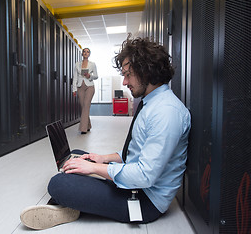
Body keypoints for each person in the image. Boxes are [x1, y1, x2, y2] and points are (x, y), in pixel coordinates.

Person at [20, 37, 191, 230]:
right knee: (79, 155)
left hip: (144, 200)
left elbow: (144, 176)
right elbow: (134, 152)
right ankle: (75, 201)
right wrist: (101, 158)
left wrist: (93, 169)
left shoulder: (166, 112)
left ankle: (68, 207)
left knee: (58, 184)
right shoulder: (153, 102)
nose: (125, 81)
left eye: (128, 75)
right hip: (134, 184)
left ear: (146, 70)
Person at [72, 48, 98, 134]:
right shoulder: (77, 64)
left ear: (89, 54)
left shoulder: (92, 64)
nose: (86, 53)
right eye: (84, 52)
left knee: (86, 105)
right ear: (82, 54)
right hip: (80, 87)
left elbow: (96, 76)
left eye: (87, 52)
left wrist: (89, 76)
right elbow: (75, 77)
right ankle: (88, 125)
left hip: (89, 86)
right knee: (83, 107)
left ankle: (83, 129)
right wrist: (74, 89)